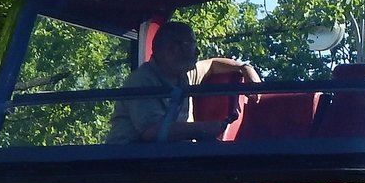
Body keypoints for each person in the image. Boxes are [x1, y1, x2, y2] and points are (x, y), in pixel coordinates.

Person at [106, 21, 261, 144]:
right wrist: (204, 128)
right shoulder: (141, 80)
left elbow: (213, 64)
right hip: (128, 160)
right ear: (172, 49)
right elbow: (152, 132)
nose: (197, 52)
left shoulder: (185, 74)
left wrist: (244, 68)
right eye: (192, 45)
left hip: (170, 157)